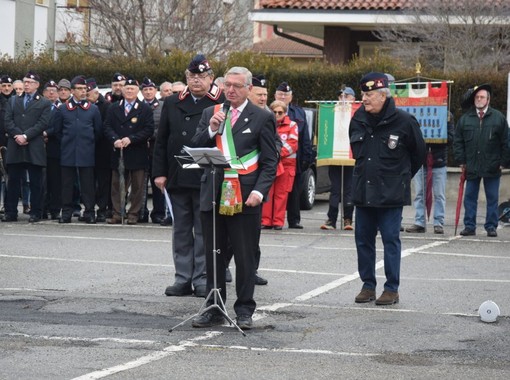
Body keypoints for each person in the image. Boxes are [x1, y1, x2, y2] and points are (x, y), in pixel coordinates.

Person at [190, 66, 278, 330]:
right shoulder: (211, 112)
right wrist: (211, 129)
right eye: (227, 84)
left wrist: (259, 192)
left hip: (245, 195)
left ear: (249, 88)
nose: (230, 90)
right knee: (213, 254)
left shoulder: (262, 117)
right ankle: (214, 307)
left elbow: (270, 161)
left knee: (244, 255)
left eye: (237, 86)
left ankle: (244, 309)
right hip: (213, 193)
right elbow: (195, 147)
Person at [349, 72, 425, 305]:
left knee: (391, 241)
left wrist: (400, 178)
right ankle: (368, 285)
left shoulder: (404, 121)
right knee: (363, 240)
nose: (364, 98)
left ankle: (391, 288)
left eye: (369, 94)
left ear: (383, 95)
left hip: (391, 194)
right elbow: (358, 155)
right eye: (363, 93)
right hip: (364, 192)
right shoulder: (358, 119)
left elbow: (419, 154)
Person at [153, 54, 224, 298]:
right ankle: (182, 277)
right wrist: (159, 173)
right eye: (192, 76)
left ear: (211, 78)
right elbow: (161, 140)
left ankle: (202, 278)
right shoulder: (172, 102)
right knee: (181, 229)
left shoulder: (221, 102)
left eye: (202, 76)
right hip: (177, 174)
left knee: (204, 230)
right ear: (186, 77)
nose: (196, 81)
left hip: (207, 174)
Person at [453, 84, 510, 237]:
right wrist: (461, 161)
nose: (479, 99)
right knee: (470, 197)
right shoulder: (465, 119)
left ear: (488, 99)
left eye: (482, 97)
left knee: (492, 198)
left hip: (492, 165)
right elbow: (458, 141)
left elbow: (506, 141)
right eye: (477, 97)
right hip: (471, 165)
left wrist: (503, 162)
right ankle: (469, 226)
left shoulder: (498, 117)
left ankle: (491, 226)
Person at [2, 71, 52, 223]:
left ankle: (36, 212)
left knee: (36, 182)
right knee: (14, 181)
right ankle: (11, 212)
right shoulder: (13, 101)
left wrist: (26, 136)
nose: (26, 84)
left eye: (30, 82)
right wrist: (17, 135)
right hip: (15, 145)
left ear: (37, 84)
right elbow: (7, 120)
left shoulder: (44, 103)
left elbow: (42, 123)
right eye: (25, 82)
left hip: (33, 146)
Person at [104, 75, 154, 225]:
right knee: (117, 186)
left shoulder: (144, 108)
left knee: (138, 187)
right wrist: (115, 139)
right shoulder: (114, 107)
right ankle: (118, 213)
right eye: (127, 88)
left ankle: (134, 214)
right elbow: (106, 126)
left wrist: (131, 139)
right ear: (123, 90)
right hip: (119, 152)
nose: (129, 91)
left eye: (132, 88)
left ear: (137, 91)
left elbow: (149, 129)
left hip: (137, 152)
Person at [53, 76, 102, 224]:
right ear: (72, 91)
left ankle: (89, 212)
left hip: (86, 152)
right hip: (68, 152)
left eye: (84, 89)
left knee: (87, 185)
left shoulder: (93, 109)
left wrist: (87, 143)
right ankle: (66, 212)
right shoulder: (63, 109)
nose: (83, 92)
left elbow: (98, 131)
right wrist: (68, 143)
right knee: (67, 184)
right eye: (79, 89)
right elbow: (58, 131)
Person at [405, 113, 454, 235]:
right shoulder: (418, 114)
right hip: (421, 160)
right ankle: (419, 222)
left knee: (439, 195)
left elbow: (451, 138)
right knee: (419, 193)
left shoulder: (446, 115)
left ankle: (438, 223)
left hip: (438, 160)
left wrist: (436, 135)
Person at [275, 82, 313, 229]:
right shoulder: (270, 111)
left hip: (293, 159)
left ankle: (294, 220)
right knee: (274, 192)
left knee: (294, 190)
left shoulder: (298, 113)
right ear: (275, 95)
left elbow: (305, 137)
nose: (283, 97)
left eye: (286, 95)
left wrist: (307, 157)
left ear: (291, 98)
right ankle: (270, 220)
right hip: (274, 159)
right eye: (280, 94)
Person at [321, 87, 356, 231]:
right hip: (335, 154)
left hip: (350, 155)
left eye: (346, 96)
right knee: (335, 189)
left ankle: (348, 219)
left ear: (353, 99)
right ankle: (332, 219)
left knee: (349, 189)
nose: (342, 98)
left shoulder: (357, 112)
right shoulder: (331, 111)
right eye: (340, 96)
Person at [262, 100, 298, 230]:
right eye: (274, 112)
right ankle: (265, 221)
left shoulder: (292, 125)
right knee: (267, 193)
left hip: (286, 165)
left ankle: (278, 221)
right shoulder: (266, 123)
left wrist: (276, 154)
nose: (277, 114)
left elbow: (292, 144)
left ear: (285, 113)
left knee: (281, 195)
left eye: (280, 112)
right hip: (270, 164)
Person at [140, 76, 165, 224]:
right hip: (140, 149)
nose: (148, 92)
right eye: (145, 89)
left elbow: (163, 128)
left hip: (156, 150)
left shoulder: (162, 106)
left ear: (155, 91)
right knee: (141, 184)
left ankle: (158, 212)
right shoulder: (139, 106)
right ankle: (142, 212)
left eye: (151, 89)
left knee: (157, 184)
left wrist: (149, 135)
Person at [86, 78, 112, 222]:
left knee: (103, 182)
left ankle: (102, 209)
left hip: (102, 149)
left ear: (96, 93)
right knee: (88, 182)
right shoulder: (84, 105)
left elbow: (104, 128)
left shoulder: (106, 106)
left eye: (89, 94)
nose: (87, 97)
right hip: (87, 149)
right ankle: (89, 209)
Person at [41, 80, 63, 220]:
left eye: (54, 91)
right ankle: (42, 208)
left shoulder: (62, 108)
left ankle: (55, 209)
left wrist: (46, 134)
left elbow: (59, 127)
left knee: (55, 181)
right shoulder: (38, 106)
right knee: (41, 182)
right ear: (43, 93)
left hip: (55, 149)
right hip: (39, 148)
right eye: (48, 90)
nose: (51, 93)